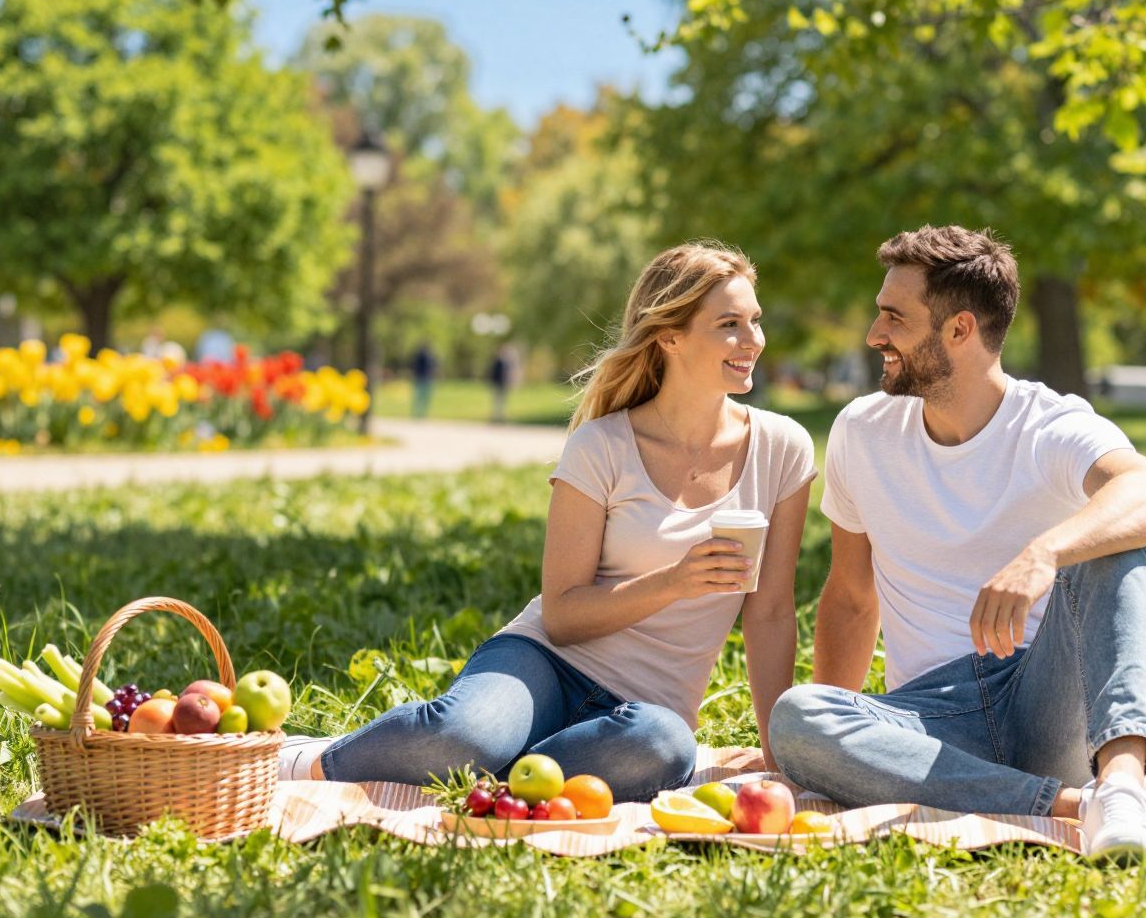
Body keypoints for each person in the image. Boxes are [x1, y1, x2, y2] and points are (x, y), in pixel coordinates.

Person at [280, 241, 817, 802]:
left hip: (645, 713)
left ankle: (498, 775)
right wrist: (673, 582)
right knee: (459, 734)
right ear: (669, 335)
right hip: (544, 664)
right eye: (729, 324)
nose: (753, 340)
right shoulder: (602, 446)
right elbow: (561, 616)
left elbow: (772, 612)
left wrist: (778, 759)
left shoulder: (783, 448)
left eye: (755, 320)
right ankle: (307, 759)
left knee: (663, 748)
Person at [766, 225, 1146, 860]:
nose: (874, 335)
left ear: (959, 330)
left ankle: (1119, 780)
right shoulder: (862, 432)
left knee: (1118, 550)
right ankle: (1094, 804)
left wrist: (1045, 553)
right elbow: (850, 597)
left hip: (1048, 701)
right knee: (797, 718)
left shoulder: (1048, 424)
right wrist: (833, 736)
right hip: (932, 722)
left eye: (893, 317)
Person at [487, 343, 518, 423]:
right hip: (497, 384)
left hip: (504, 384)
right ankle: (496, 417)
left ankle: (502, 417)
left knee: (503, 401)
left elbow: (508, 374)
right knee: (497, 401)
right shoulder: (497, 362)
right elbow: (493, 373)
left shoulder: (506, 363)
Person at [411, 343, 438, 418]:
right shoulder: (429, 357)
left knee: (420, 397)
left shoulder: (419, 356)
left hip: (422, 378)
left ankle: (419, 413)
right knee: (423, 397)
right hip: (425, 378)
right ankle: (420, 413)